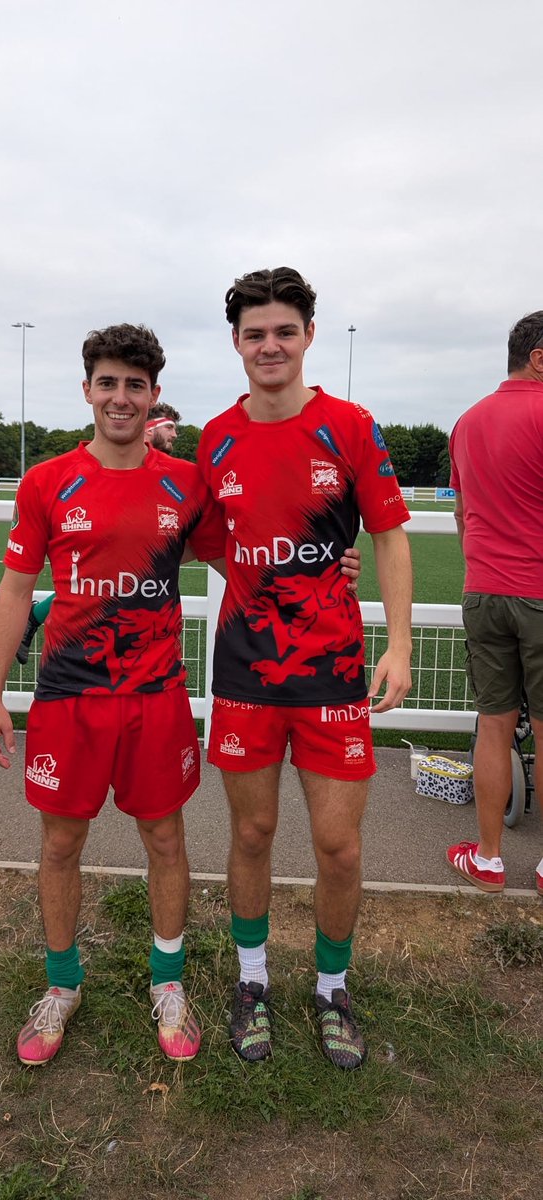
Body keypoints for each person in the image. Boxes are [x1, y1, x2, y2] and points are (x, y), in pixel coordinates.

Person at [0, 323, 227, 1067]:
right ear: (87, 388)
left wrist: (329, 568)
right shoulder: (49, 480)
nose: (120, 397)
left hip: (154, 695)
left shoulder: (184, 482)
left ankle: (168, 980)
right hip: (68, 696)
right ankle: (62, 985)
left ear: (154, 395)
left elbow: (240, 559)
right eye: (108, 382)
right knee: (60, 842)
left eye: (135, 384)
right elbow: (16, 591)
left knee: (166, 840)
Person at [197, 267, 413, 1070]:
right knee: (251, 833)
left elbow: (389, 534)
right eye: (255, 333)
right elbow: (204, 536)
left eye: (283, 330)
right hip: (246, 673)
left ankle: (330, 987)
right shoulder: (215, 436)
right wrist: (274, 577)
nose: (269, 345)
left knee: (338, 848)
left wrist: (398, 641)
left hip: (332, 674)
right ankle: (251, 981)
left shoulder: (349, 425)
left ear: (308, 337)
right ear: (236, 344)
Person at [446, 311, 543, 898]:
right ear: (539, 356)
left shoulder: (466, 420)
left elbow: (462, 515)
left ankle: (487, 860)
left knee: (493, 724)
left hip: (484, 590)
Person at [14, 404, 182, 665]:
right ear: (149, 430)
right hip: (98, 566)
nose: (175, 435)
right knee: (94, 580)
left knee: (111, 576)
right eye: (169, 427)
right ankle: (34, 616)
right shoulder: (113, 467)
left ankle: (34, 616)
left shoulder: (175, 475)